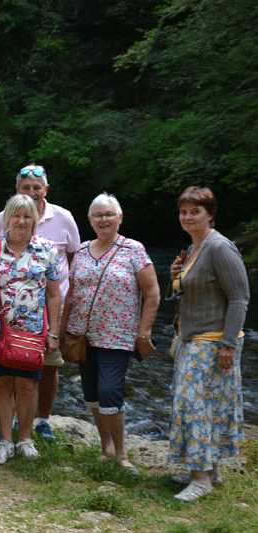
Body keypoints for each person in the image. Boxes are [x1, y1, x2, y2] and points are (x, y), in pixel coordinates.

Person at [60, 193, 159, 474]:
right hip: (82, 335)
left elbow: (152, 294)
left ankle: (122, 456)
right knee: (91, 393)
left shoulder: (134, 250)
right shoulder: (79, 252)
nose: (104, 220)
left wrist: (144, 333)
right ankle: (107, 448)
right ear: (90, 220)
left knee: (110, 390)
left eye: (109, 215)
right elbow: (71, 295)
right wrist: (61, 331)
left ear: (119, 219)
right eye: (98, 215)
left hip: (118, 336)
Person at [167, 186, 249, 501]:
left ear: (210, 214)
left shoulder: (219, 248)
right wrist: (177, 276)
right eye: (184, 212)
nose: (188, 217)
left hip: (214, 340)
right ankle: (208, 471)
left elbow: (240, 298)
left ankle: (199, 479)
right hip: (192, 337)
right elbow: (194, 293)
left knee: (192, 406)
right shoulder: (193, 248)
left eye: (195, 212)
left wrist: (228, 345)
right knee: (205, 407)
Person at [0, 164, 80, 441]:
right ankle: (9, 426)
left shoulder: (63, 218)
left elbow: (75, 259)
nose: (31, 192)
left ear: (46, 190)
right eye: (25, 188)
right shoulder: (1, 218)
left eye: (36, 188)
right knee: (8, 367)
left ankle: (42, 420)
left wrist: (60, 319)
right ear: (17, 190)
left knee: (48, 367)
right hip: (5, 315)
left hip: (49, 311)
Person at [0, 194, 61, 465]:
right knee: (1, 385)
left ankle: (25, 439)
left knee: (27, 387)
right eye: (16, 215)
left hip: (31, 331)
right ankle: (5, 441)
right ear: (6, 218)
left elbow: (53, 294)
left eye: (27, 216)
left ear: (35, 220)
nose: (21, 220)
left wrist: (53, 333)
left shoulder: (47, 249)